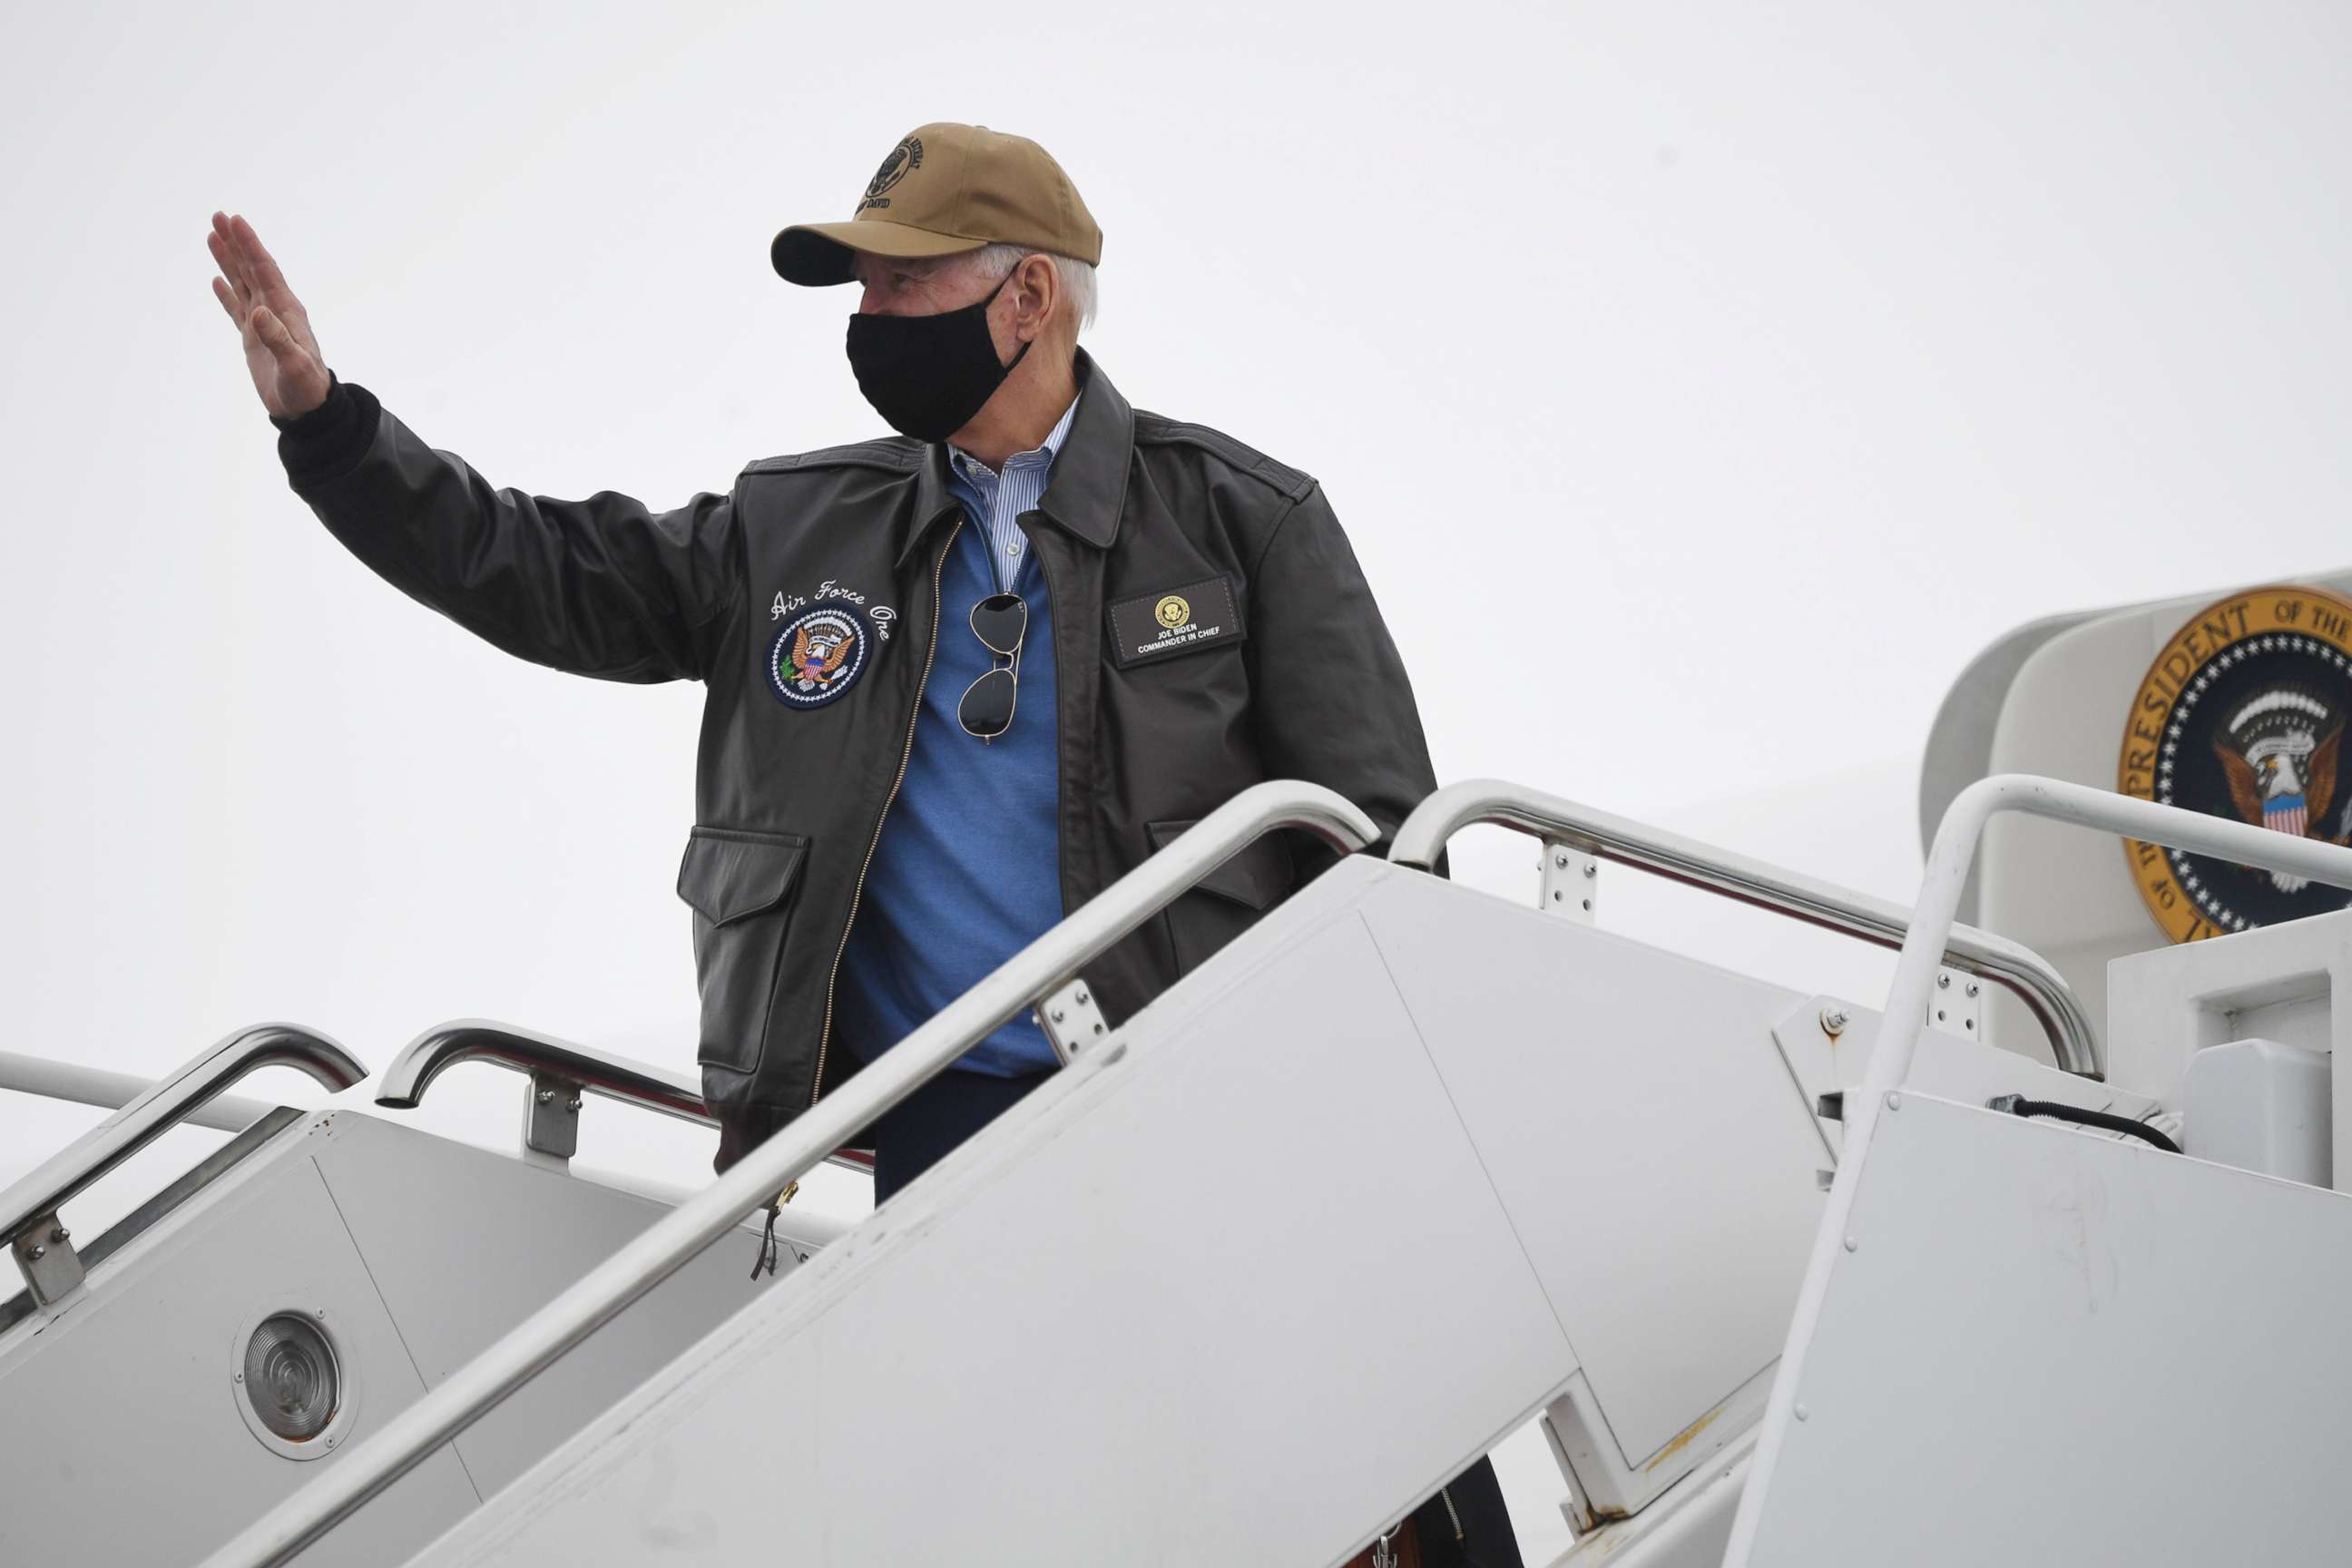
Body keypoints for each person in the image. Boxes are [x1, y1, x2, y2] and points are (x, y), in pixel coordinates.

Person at [208, 121, 1516, 1566]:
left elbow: (1393, 866)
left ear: (1031, 300)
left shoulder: (1242, 522)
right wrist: (329, 425)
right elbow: (535, 567)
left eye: (903, 285)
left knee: (1310, 1492)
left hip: (1203, 1123)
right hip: (942, 1140)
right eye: (861, 290)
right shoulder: (794, 530)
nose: (868, 321)